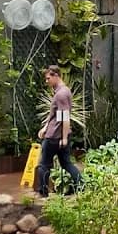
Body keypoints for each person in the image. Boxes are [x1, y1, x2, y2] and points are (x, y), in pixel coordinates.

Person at [37, 65, 82, 197]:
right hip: (58, 135)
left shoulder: (61, 94)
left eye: (48, 78)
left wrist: (64, 138)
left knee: (43, 165)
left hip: (54, 137)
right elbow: (57, 114)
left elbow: (65, 117)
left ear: (56, 75)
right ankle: (81, 186)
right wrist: (45, 127)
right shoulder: (63, 91)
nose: (46, 81)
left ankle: (43, 192)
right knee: (66, 163)